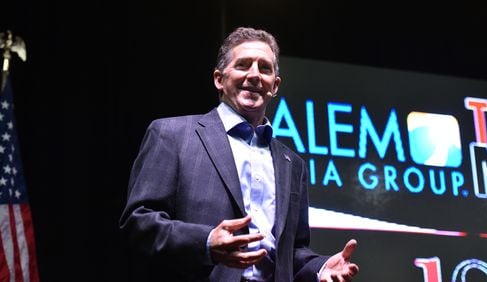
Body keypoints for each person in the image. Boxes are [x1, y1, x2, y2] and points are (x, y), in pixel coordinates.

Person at [119, 26, 359, 282]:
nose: (254, 75)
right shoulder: (173, 135)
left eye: (265, 68)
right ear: (219, 79)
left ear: (275, 86)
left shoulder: (293, 164)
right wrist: (207, 242)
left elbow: (293, 252)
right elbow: (138, 223)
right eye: (243, 65)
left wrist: (321, 268)